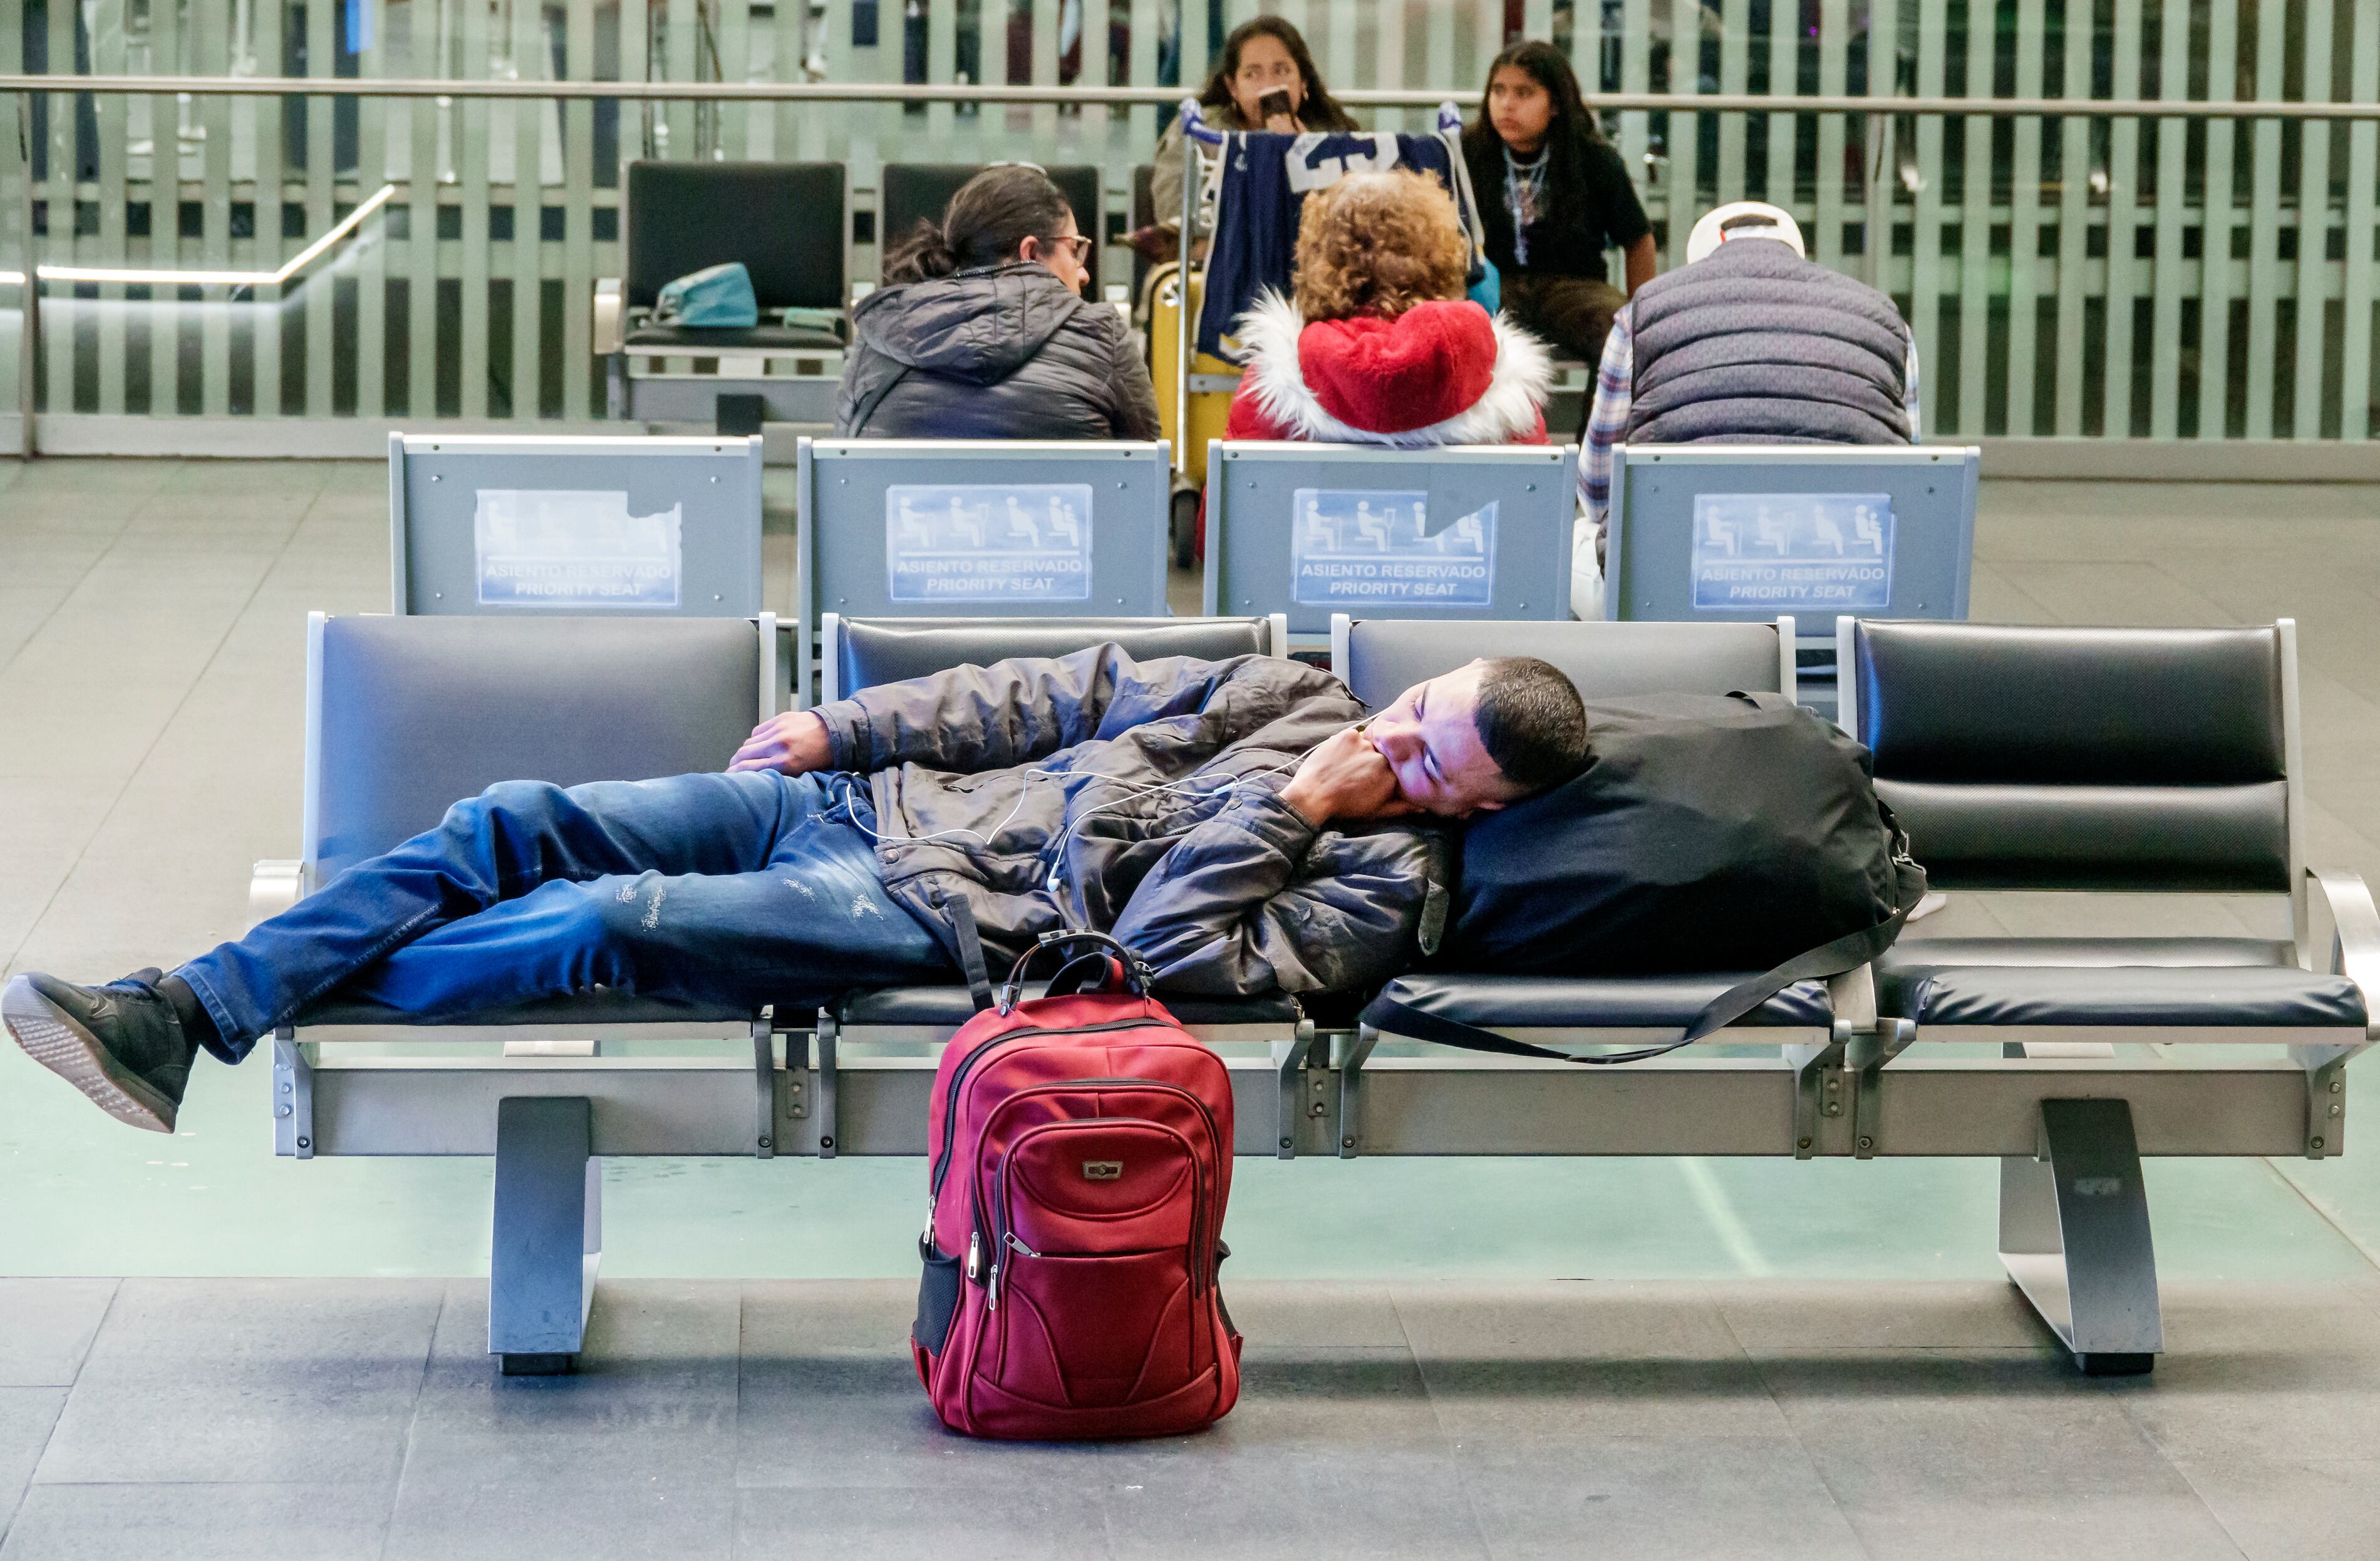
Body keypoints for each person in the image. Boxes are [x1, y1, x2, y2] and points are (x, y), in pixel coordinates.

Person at [5, 647, 1590, 1135]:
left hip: (934, 925)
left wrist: (1292, 805)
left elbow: (1172, 960)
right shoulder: (1286, 683)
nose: (1390, 739)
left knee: (601, 927)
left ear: (1482, 799)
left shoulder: (1384, 877)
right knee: (521, 817)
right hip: (860, 802)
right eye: (1411, 703)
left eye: (1430, 753)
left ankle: (223, 997)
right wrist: (848, 721)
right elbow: (1051, 696)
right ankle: (185, 1007)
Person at [1571, 200, 1924, 618]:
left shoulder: (1639, 318)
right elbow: (1911, 475)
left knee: (1579, 539)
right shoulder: (1887, 322)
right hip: (1847, 587)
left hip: (1672, 596)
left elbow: (1597, 488)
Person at [1224, 169, 1553, 445]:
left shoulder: (1274, 382)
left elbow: (1225, 514)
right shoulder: (1497, 374)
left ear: (1317, 257)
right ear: (1444, 255)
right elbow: (1539, 511)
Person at [835, 165, 1158, 440]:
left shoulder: (880, 334)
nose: (1084, 273)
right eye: (1074, 250)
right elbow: (1147, 473)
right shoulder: (1104, 337)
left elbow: (844, 466)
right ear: (1030, 253)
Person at [1461, 40, 1655, 421]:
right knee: (1455, 333)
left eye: (1524, 93)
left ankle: (1595, 453)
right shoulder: (1468, 150)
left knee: (1622, 340)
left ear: (1554, 105)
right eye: (1498, 91)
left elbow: (1638, 239)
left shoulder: (1593, 157)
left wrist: (1640, 314)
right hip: (1493, 281)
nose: (1506, 104)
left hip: (1574, 286)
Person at [1149, 16, 1359, 245]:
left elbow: (1352, 225)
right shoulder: (1198, 133)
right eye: (1252, 74)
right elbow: (1175, 216)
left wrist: (1301, 155)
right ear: (1233, 88)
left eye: (1282, 71)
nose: (1269, 85)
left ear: (1303, 82)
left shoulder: (1334, 135)